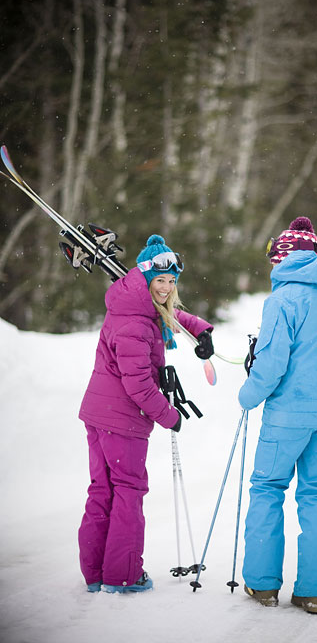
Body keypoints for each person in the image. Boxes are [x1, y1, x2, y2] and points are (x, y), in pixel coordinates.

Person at [78, 234, 214, 593]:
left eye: (171, 281)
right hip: (122, 420)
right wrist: (169, 415)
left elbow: (170, 314)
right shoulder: (136, 323)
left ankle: (96, 574)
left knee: (103, 491)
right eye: (160, 280)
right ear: (145, 278)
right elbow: (138, 385)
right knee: (127, 491)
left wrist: (201, 330)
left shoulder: (133, 303)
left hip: (100, 414)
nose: (166, 288)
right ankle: (122, 576)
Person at [238, 216, 317, 614]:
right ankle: (314, 591)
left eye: (274, 259)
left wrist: (248, 395)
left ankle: (262, 584)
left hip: (291, 413)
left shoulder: (282, 300)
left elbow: (272, 364)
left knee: (268, 487)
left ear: (282, 259)